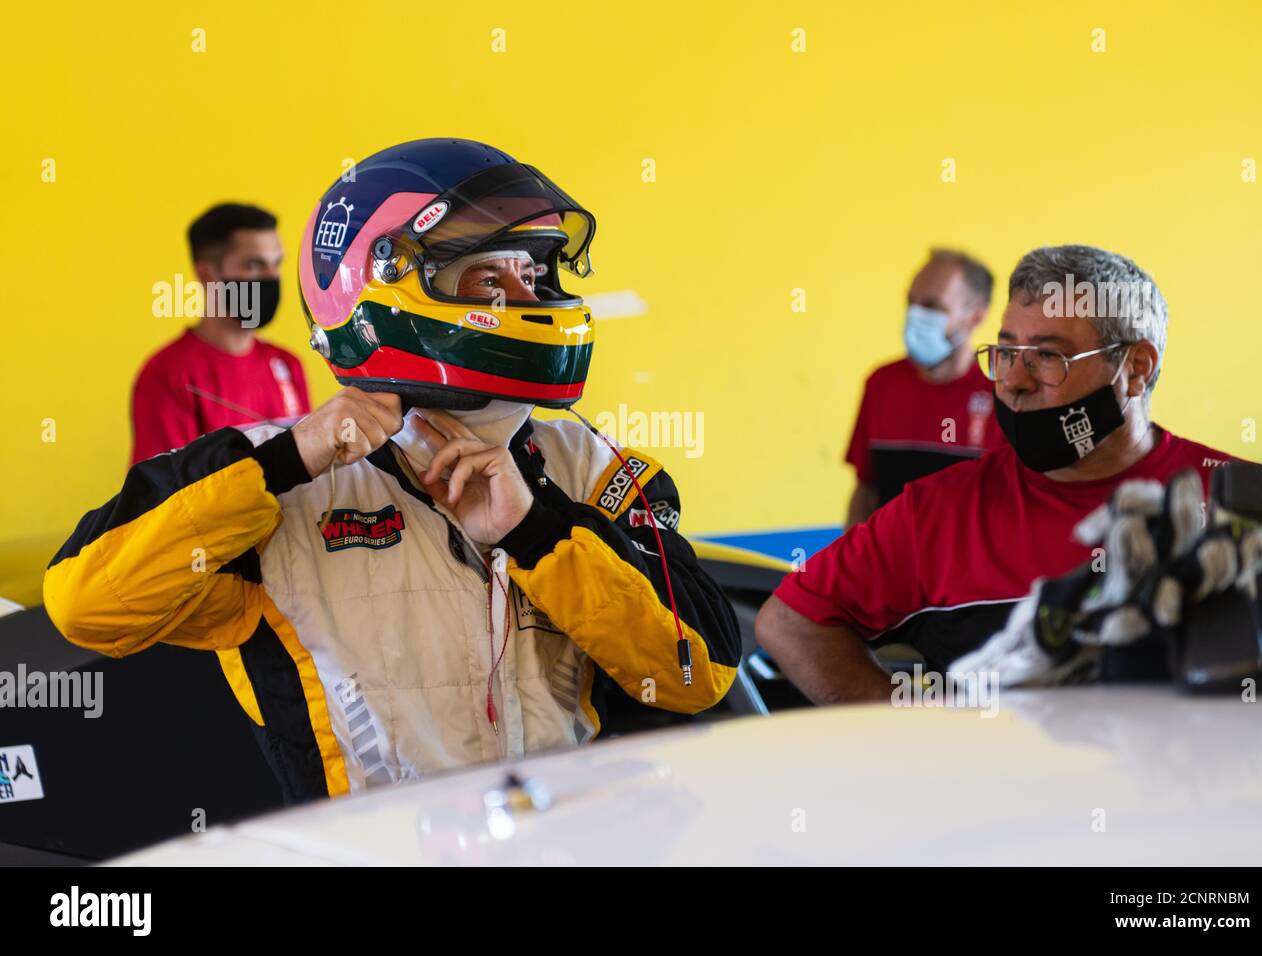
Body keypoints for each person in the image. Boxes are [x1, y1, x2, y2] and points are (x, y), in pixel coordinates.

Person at [46, 139, 741, 803]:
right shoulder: (278, 482)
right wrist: (289, 459)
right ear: (380, 288)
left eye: (531, 274)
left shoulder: (593, 468)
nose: (526, 300)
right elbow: (86, 607)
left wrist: (537, 533)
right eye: (488, 277)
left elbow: (695, 677)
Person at [757, 244, 1235, 703]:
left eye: (1048, 356)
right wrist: (912, 733)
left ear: (1135, 368)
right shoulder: (938, 512)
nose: (1014, 381)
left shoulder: (1240, 499)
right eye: (1006, 353)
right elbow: (790, 621)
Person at [130, 203, 309, 464]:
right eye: (254, 265)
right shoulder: (168, 375)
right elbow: (163, 494)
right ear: (208, 274)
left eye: (277, 263)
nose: (272, 277)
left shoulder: (287, 365)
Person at [845, 249, 1003, 525]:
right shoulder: (882, 384)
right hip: (889, 564)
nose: (915, 315)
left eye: (932, 306)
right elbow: (866, 491)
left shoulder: (1005, 392)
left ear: (976, 316)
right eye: (911, 302)